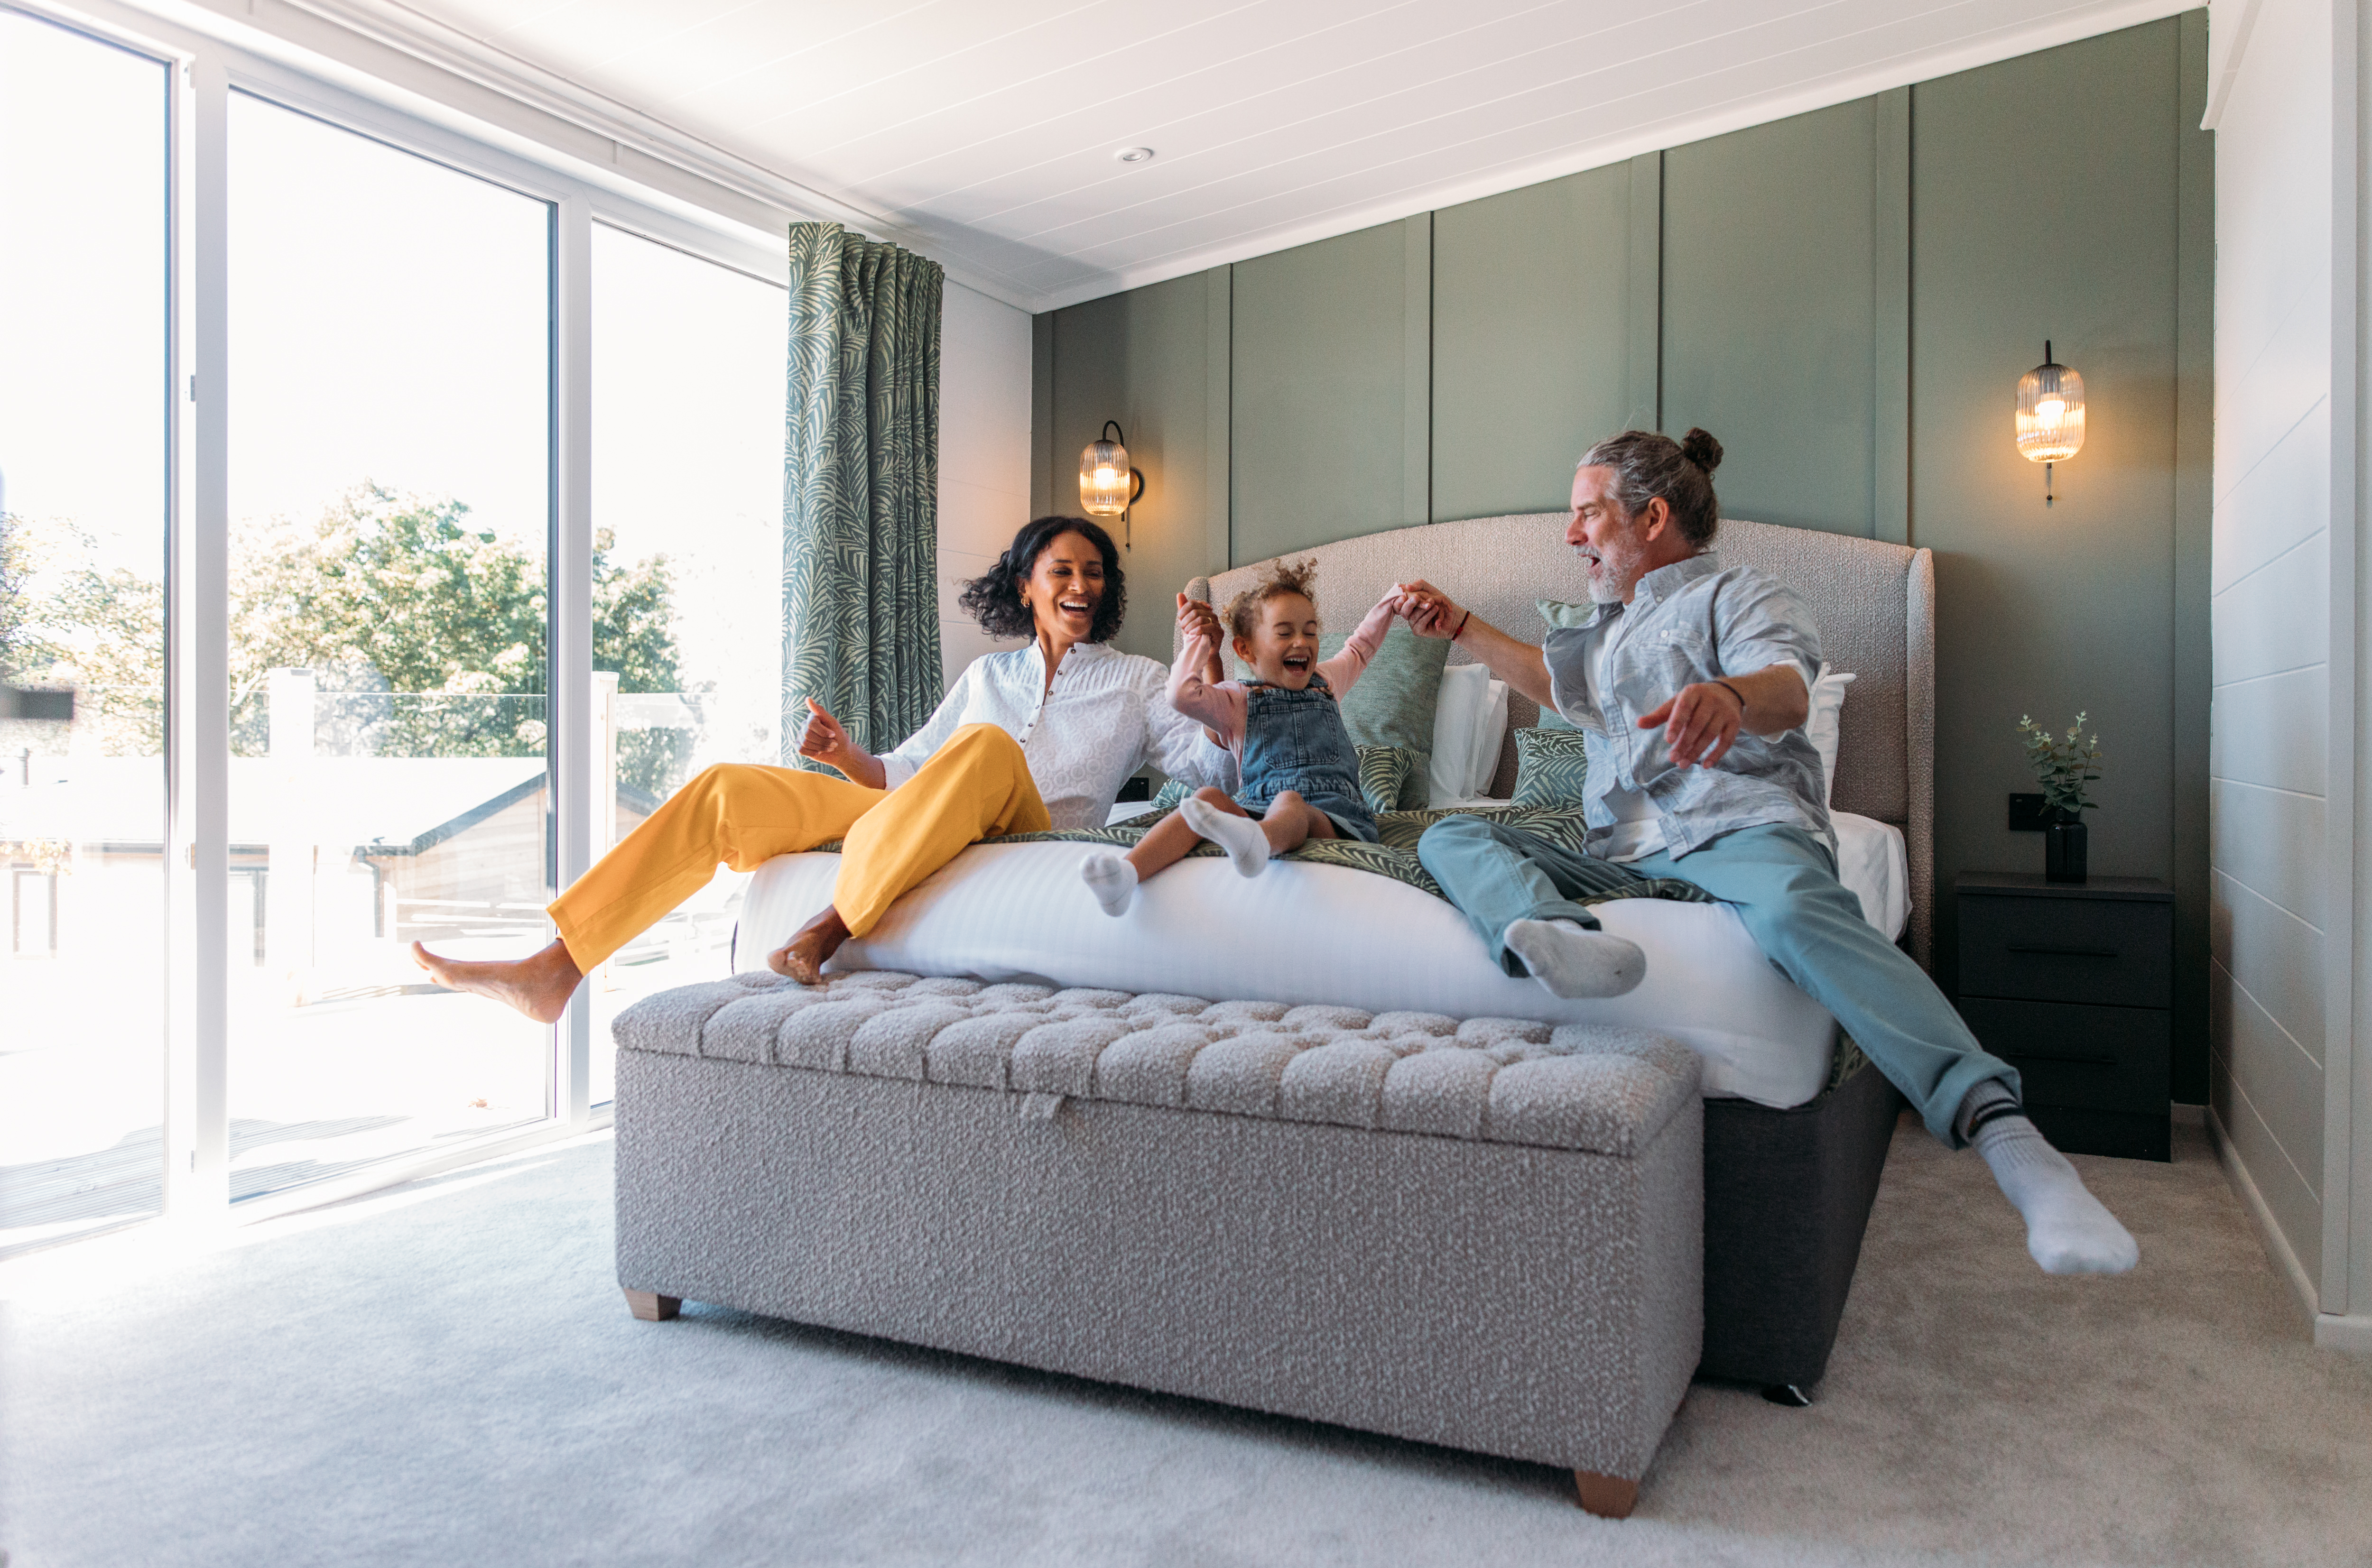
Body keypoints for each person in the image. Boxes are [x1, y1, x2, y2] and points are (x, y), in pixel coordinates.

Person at [1397, 428, 2139, 1276]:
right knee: (1454, 831)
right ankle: (1556, 933)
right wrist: (1456, 623)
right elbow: (1553, 685)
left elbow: (1787, 689)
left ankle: (2012, 1142)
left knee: (1795, 910)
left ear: (1653, 516)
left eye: (1585, 515)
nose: (1570, 536)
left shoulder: (1745, 595)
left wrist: (1725, 696)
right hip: (1619, 855)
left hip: (1732, 829)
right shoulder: (1606, 633)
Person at [414, 516, 1233, 1017]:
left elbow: (1212, 768)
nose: (1082, 584)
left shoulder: (1136, 680)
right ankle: (557, 965)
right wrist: (849, 757)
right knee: (729, 788)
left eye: (1095, 573)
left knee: (984, 749)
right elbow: (906, 768)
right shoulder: (988, 676)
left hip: (1025, 832)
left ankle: (827, 927)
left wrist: (1206, 669)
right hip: (934, 815)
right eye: (1064, 571)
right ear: (1027, 586)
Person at [1079, 559, 1410, 915]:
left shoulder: (1326, 682)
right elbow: (1180, 694)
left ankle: (1261, 842)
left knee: (1290, 802)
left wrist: (1391, 603)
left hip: (1335, 819)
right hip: (1255, 807)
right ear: (1245, 651)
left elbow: (1360, 648)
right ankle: (1126, 875)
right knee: (1207, 798)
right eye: (1285, 633)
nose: (1302, 641)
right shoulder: (1236, 699)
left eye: (1310, 631)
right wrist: (1197, 643)